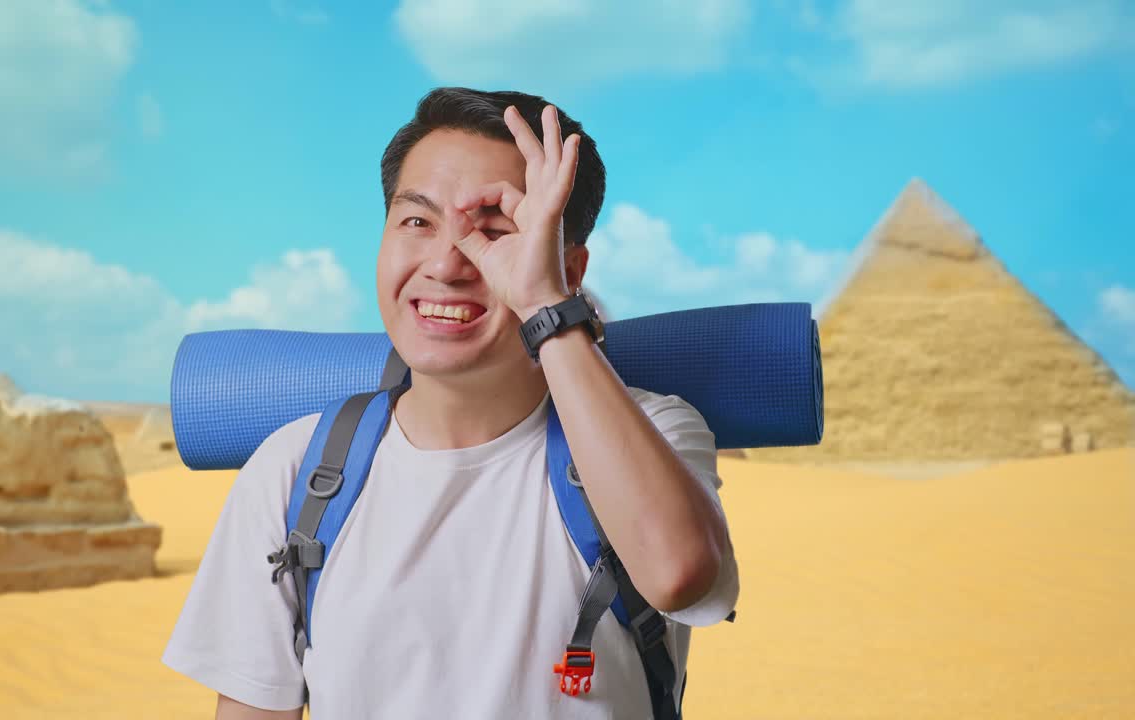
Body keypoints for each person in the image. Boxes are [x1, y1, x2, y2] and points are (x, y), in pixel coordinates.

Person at [161, 86, 740, 719]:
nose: (445, 262)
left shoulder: (656, 431)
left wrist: (547, 305)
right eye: (417, 221)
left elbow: (681, 575)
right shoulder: (297, 470)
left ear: (570, 269)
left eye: (497, 231)